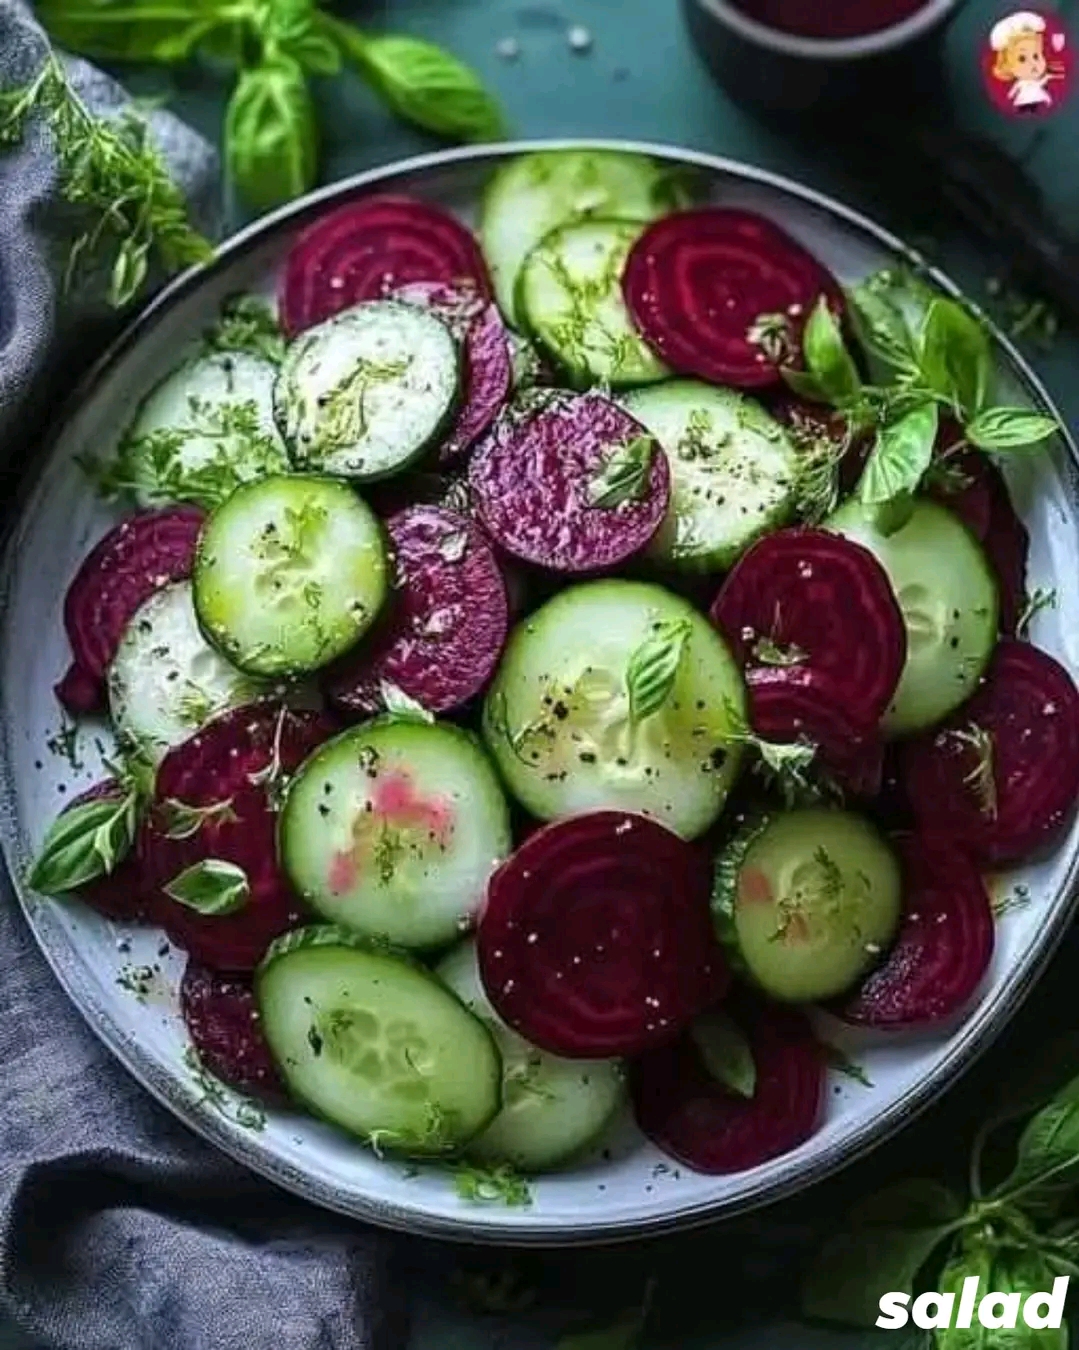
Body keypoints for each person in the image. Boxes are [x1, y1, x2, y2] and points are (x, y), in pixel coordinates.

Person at [989, 10, 1065, 113]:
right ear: (1007, 64)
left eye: (1036, 56)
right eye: (1022, 59)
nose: (1032, 64)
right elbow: (1013, 91)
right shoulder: (1020, 83)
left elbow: (1047, 79)